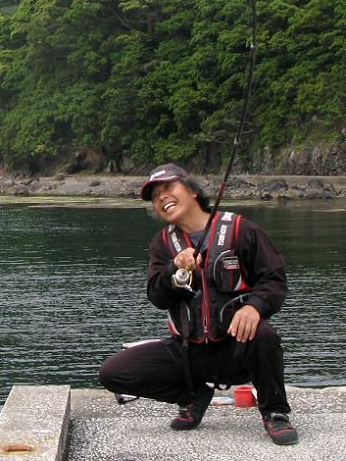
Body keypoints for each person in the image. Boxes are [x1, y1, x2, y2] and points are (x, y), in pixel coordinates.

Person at [97, 163, 299, 446]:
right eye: (155, 196)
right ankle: (193, 396)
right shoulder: (162, 244)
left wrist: (254, 306)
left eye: (168, 188)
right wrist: (174, 269)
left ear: (192, 190)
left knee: (264, 333)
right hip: (188, 352)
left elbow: (274, 280)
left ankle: (275, 412)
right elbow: (157, 297)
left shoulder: (241, 229)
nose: (162, 197)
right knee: (113, 372)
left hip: (237, 348)